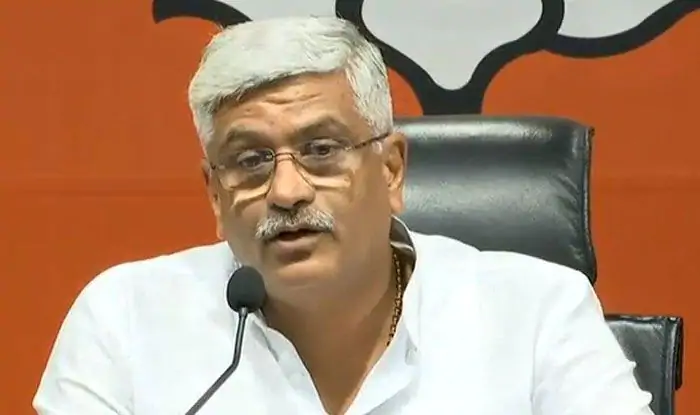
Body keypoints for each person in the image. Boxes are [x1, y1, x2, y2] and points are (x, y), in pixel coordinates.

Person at [33, 16, 653, 415]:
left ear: (392, 171)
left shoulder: (537, 313)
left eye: (322, 150)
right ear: (215, 198)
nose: (286, 191)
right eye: (250, 160)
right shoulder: (123, 320)